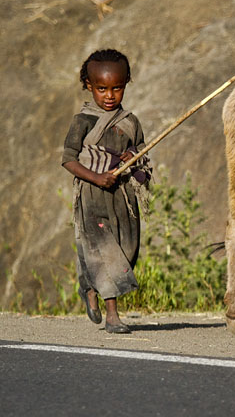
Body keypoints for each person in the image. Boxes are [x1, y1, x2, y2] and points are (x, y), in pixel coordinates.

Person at [62, 49, 151, 334]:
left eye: (117, 88)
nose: (109, 95)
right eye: (102, 89)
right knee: (105, 251)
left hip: (123, 196)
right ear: (89, 85)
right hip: (92, 195)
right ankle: (113, 314)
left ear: (126, 83)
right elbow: (68, 159)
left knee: (128, 249)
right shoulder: (83, 121)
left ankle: (88, 285)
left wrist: (132, 157)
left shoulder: (131, 121)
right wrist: (96, 178)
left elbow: (141, 150)